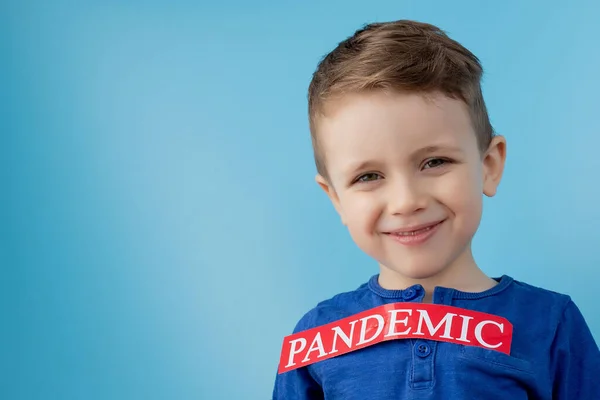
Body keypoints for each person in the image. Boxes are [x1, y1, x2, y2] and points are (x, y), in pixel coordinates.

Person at [271, 19, 600, 399]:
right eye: (369, 176)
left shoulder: (551, 324)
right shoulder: (312, 339)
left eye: (435, 162)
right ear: (336, 199)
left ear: (489, 166)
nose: (407, 201)